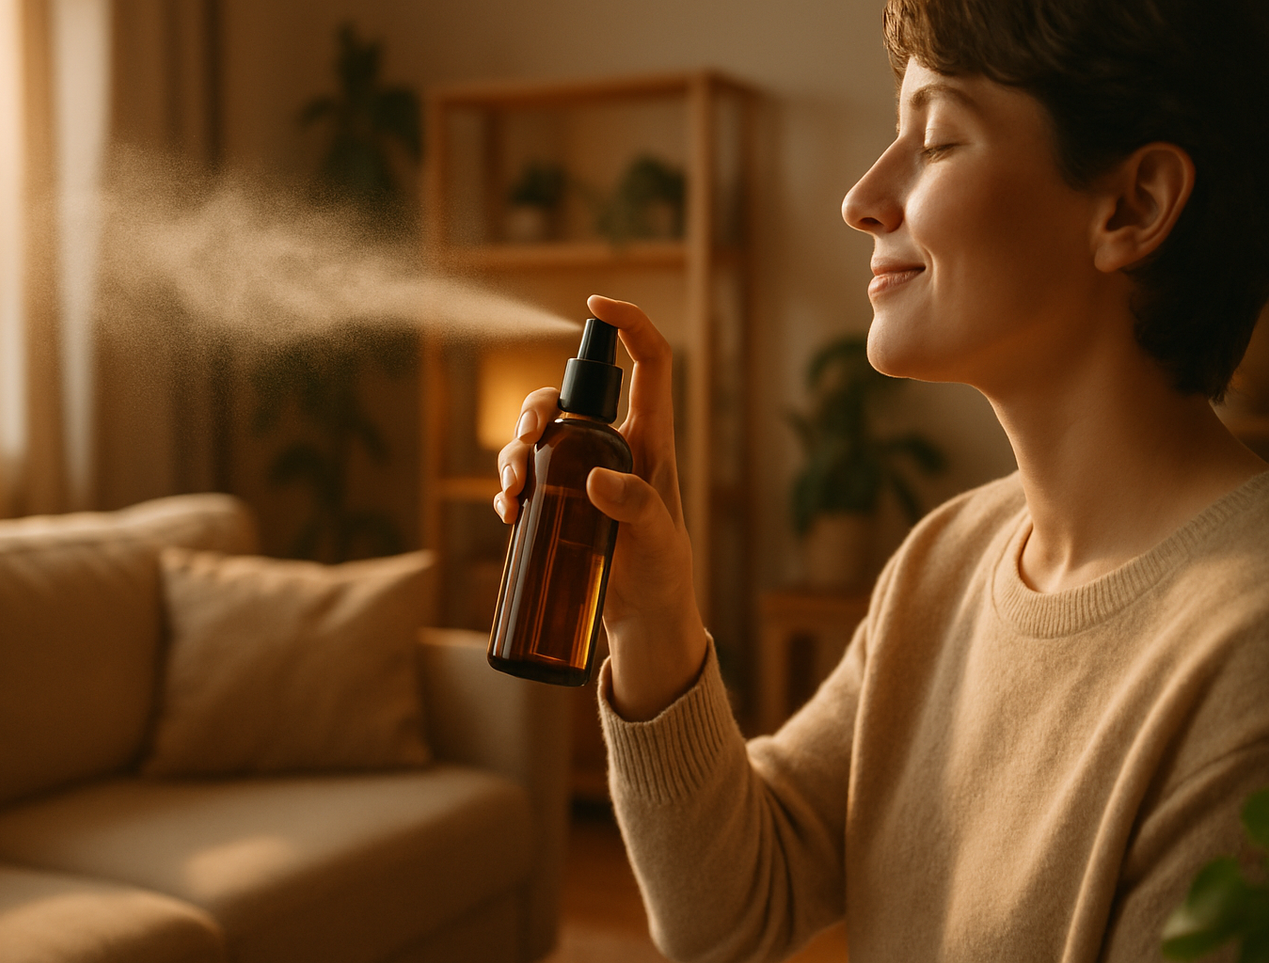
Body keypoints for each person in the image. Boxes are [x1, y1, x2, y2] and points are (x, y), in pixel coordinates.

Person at [493, 0, 1269, 960]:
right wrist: (649, 609)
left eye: (937, 140)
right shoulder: (942, 561)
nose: (861, 197)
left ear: (1133, 205)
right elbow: (729, 908)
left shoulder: (1245, 657)